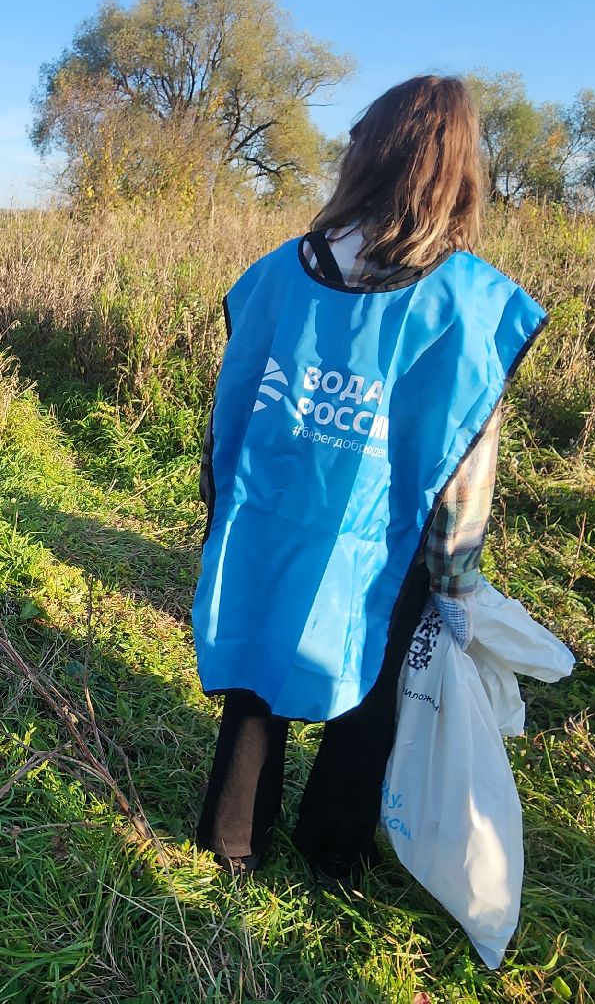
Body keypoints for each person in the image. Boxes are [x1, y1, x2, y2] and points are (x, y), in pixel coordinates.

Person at [190, 75, 547, 885]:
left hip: (269, 513)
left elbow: (234, 402)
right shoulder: (467, 301)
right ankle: (331, 847)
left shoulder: (282, 270)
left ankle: (232, 834)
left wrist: (220, 508)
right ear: (457, 172)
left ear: (365, 156)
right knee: (373, 692)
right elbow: (467, 458)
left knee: (257, 659)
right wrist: (455, 573)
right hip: (390, 537)